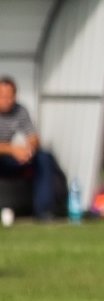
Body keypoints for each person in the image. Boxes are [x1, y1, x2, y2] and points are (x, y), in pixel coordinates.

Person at [0, 77, 59, 219]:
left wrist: (28, 150)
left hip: (13, 160)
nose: (6, 100)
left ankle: (43, 211)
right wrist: (12, 149)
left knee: (44, 157)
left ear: (15, 96)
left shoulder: (20, 111)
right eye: (2, 96)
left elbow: (34, 138)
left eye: (9, 96)